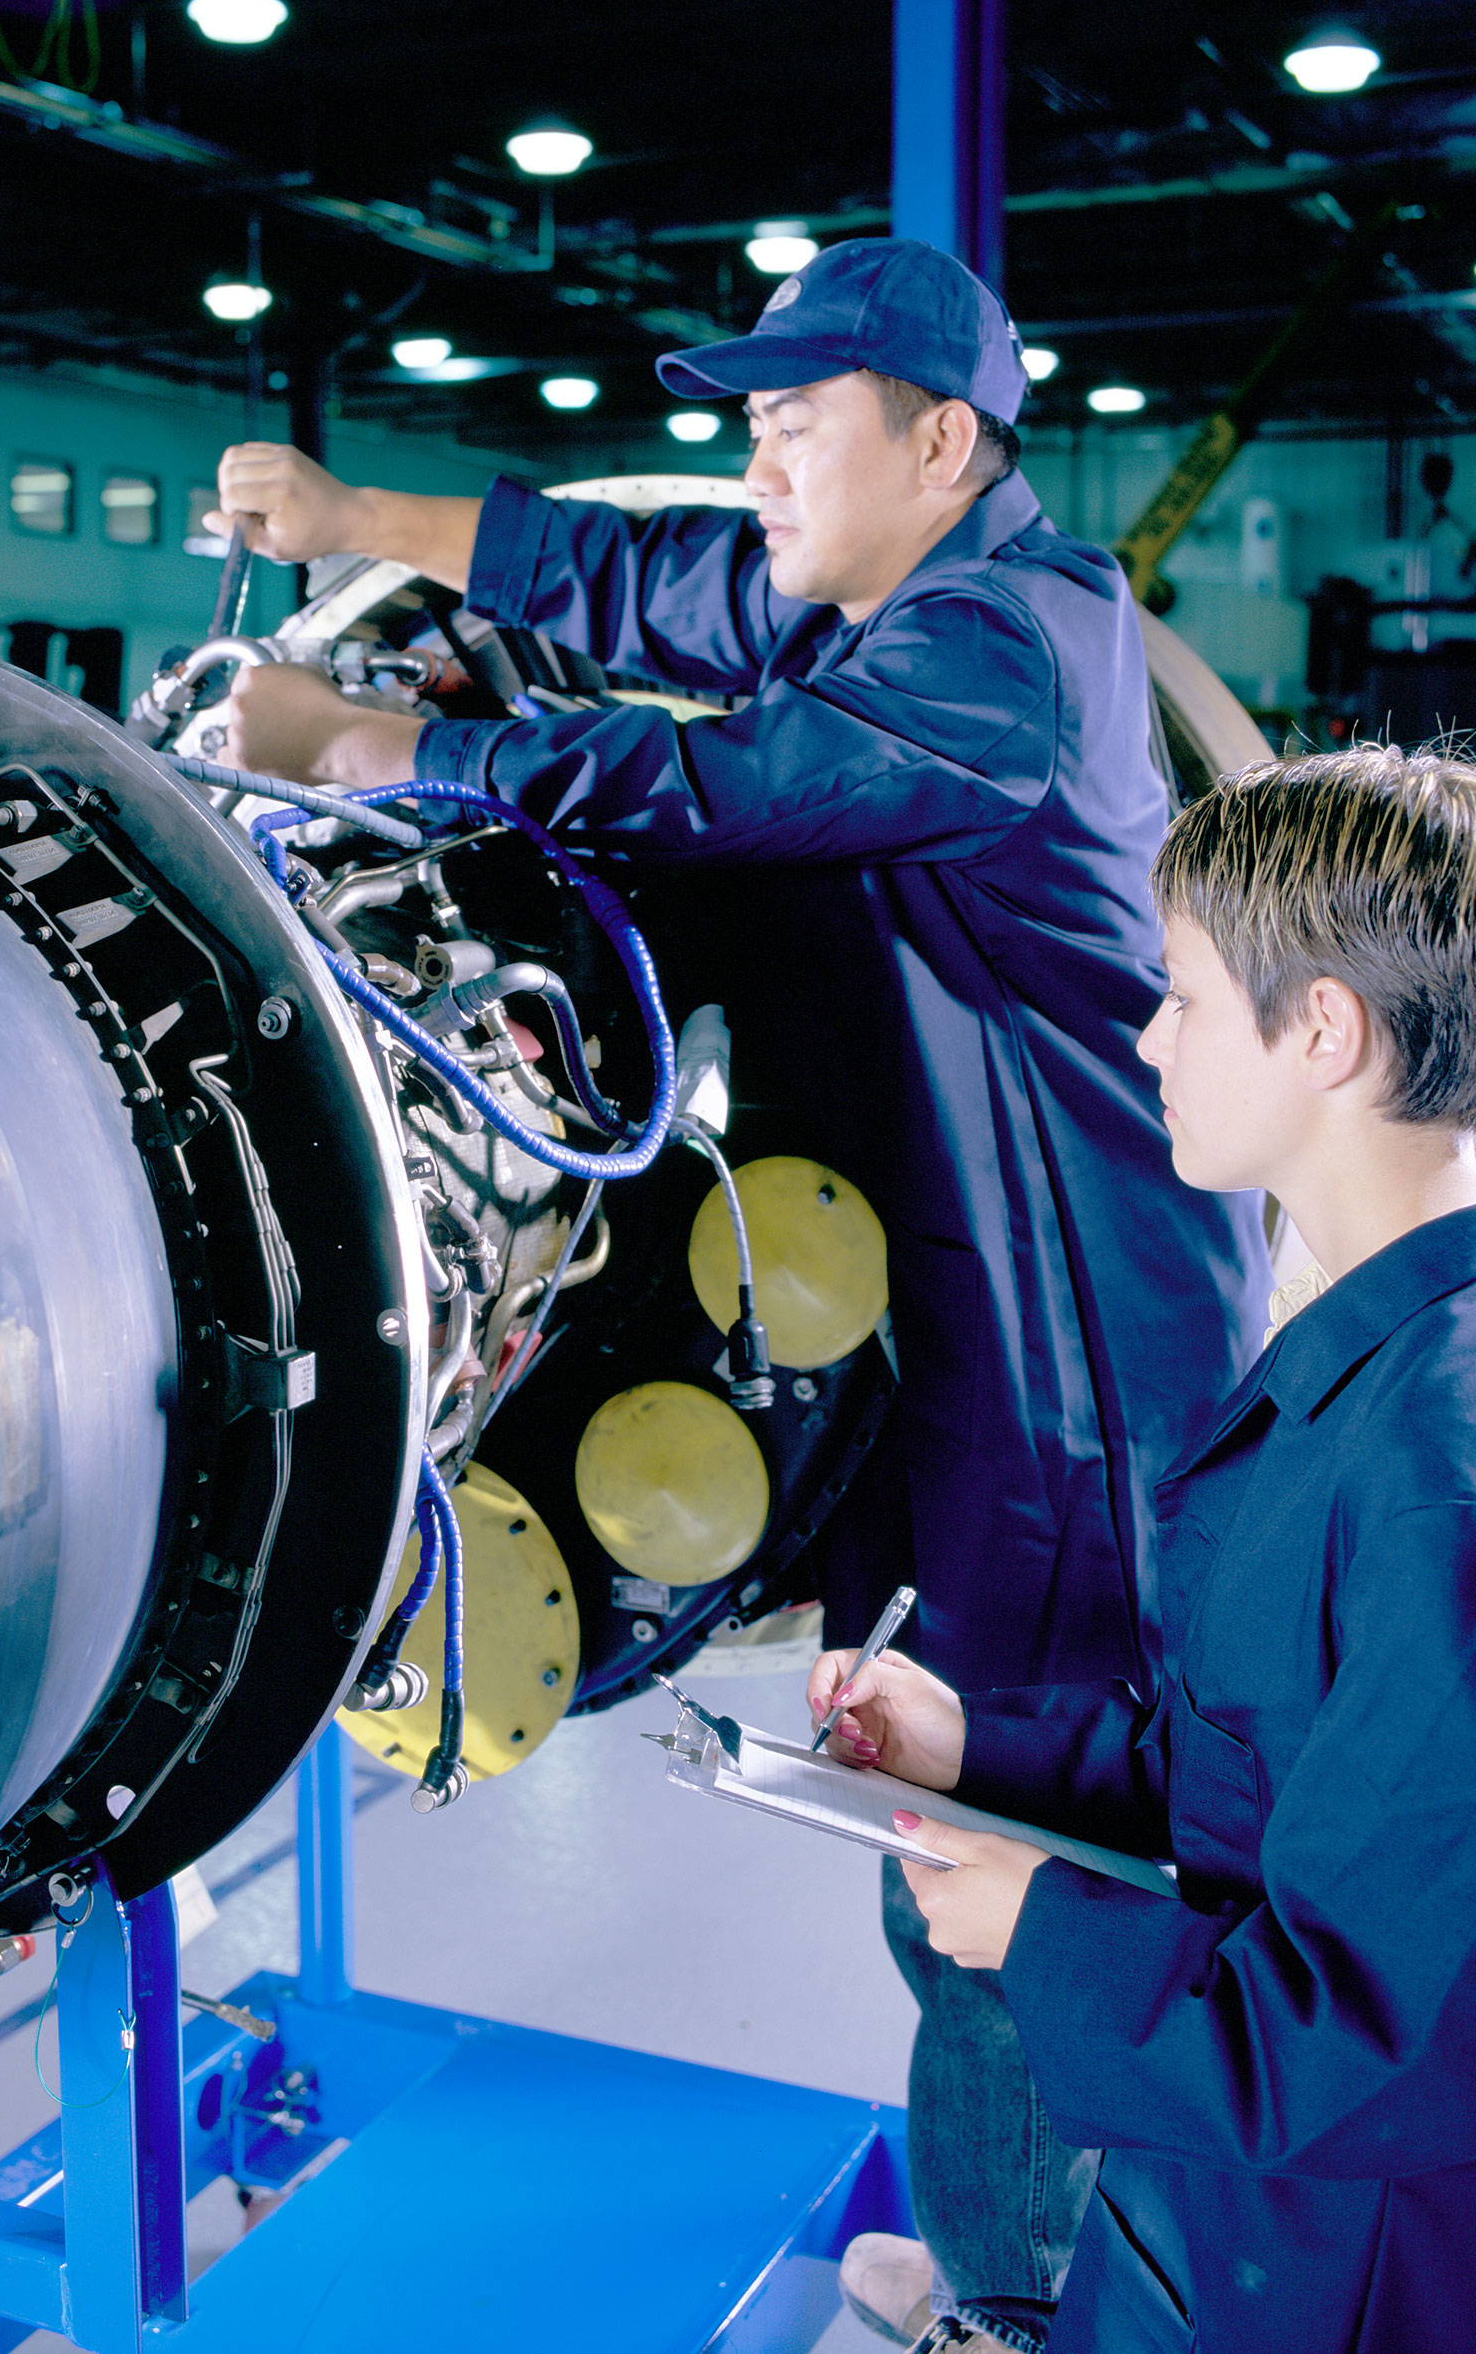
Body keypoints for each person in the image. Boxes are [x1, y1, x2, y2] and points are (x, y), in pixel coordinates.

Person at [208, 238, 1271, 2349]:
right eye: (751, 429)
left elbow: (726, 786)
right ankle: (1020, 2255)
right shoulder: (907, 595)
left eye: (797, 427)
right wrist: (348, 525)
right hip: (994, 1346)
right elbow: (657, 581)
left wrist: (376, 747)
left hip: (1078, 1393)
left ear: (940, 441)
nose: (760, 468)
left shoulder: (1002, 652)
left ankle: (1019, 2299)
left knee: (993, 1858)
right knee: (972, 1830)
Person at [807, 744, 1476, 2352]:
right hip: (1231, 2221)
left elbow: (1390, 2034)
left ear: (1323, 1029)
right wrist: (979, 1746)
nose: (1148, 1037)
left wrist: (1036, 1928)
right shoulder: (1378, 1349)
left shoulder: (1450, 1474)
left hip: (1339, 2273)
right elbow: (1278, 1769)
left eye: (1183, 995)